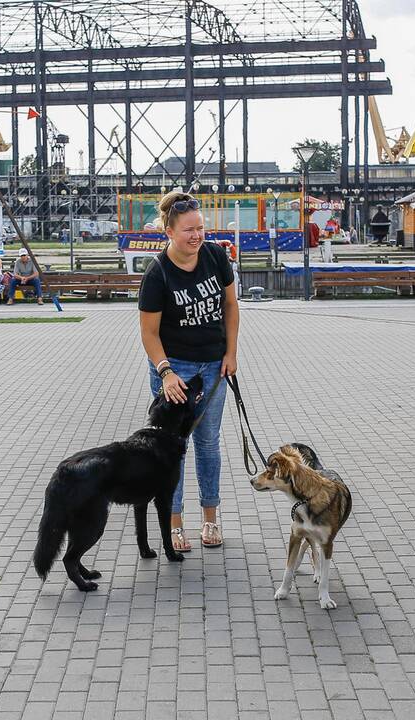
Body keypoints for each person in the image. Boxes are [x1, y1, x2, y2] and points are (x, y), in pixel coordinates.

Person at [139, 190, 240, 552]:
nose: (197, 236)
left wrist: (231, 353)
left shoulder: (214, 256)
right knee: (171, 448)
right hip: (175, 369)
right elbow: (149, 333)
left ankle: (211, 520)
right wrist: (166, 372)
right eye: (188, 230)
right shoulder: (158, 274)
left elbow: (230, 306)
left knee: (208, 444)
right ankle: (174, 524)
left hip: (214, 365)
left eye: (200, 228)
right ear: (169, 231)